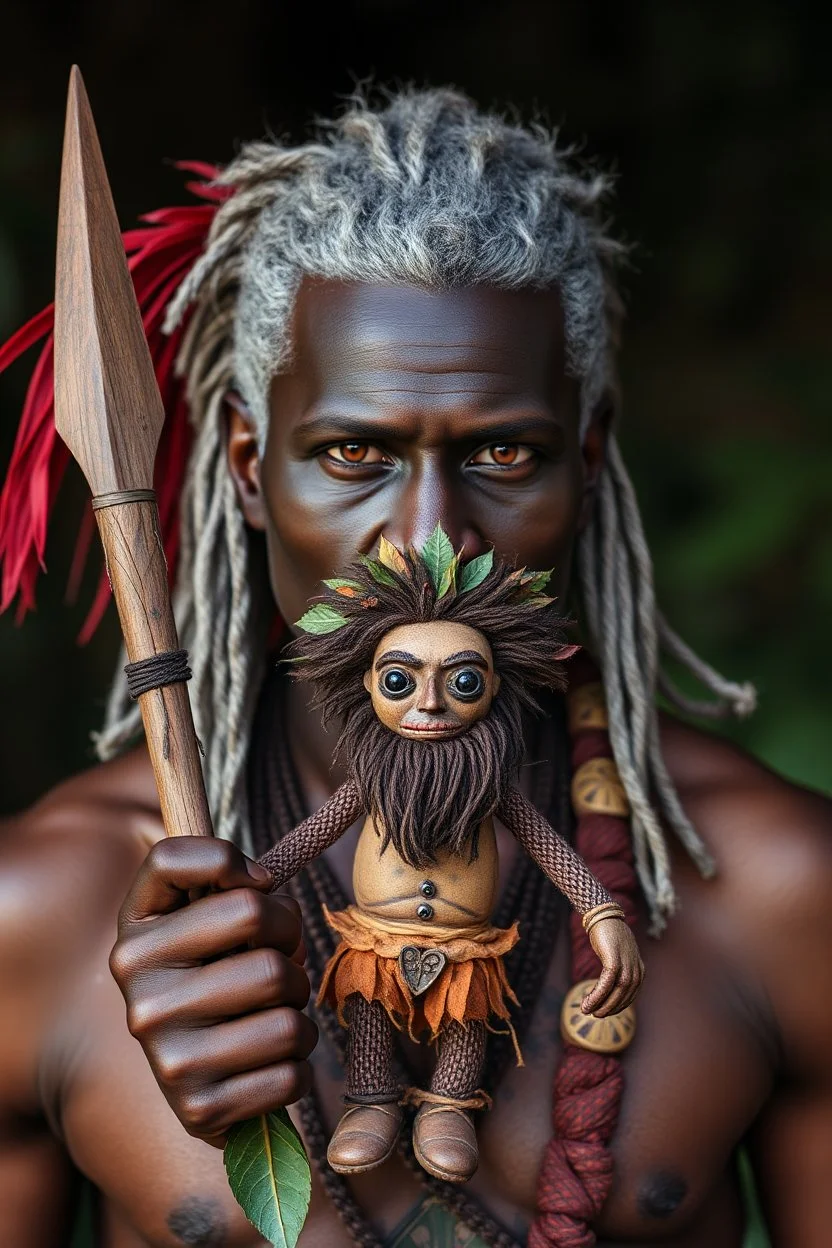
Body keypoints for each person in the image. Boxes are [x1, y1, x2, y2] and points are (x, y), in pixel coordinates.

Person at [0, 88, 829, 1248]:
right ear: (249, 468)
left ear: (583, 464)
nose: (427, 540)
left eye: (503, 452)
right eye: (354, 454)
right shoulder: (43, 916)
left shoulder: (780, 892)